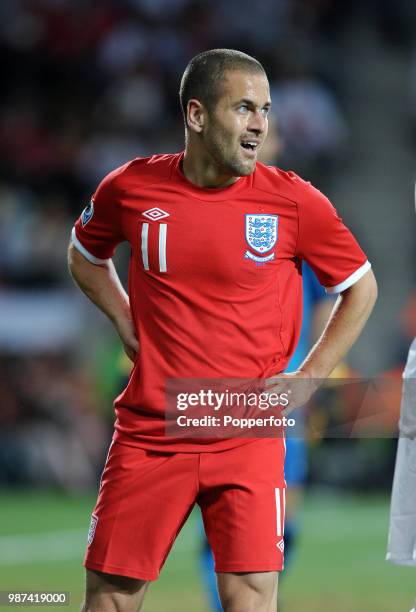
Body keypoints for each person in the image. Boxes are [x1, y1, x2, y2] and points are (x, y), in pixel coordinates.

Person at [68, 49, 377, 612]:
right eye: (244, 108)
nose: (260, 122)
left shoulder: (294, 200)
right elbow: (84, 254)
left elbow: (361, 287)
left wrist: (309, 379)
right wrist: (123, 317)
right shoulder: (131, 188)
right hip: (154, 428)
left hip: (249, 428)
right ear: (197, 114)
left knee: (252, 597)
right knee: (111, 596)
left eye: (265, 109)